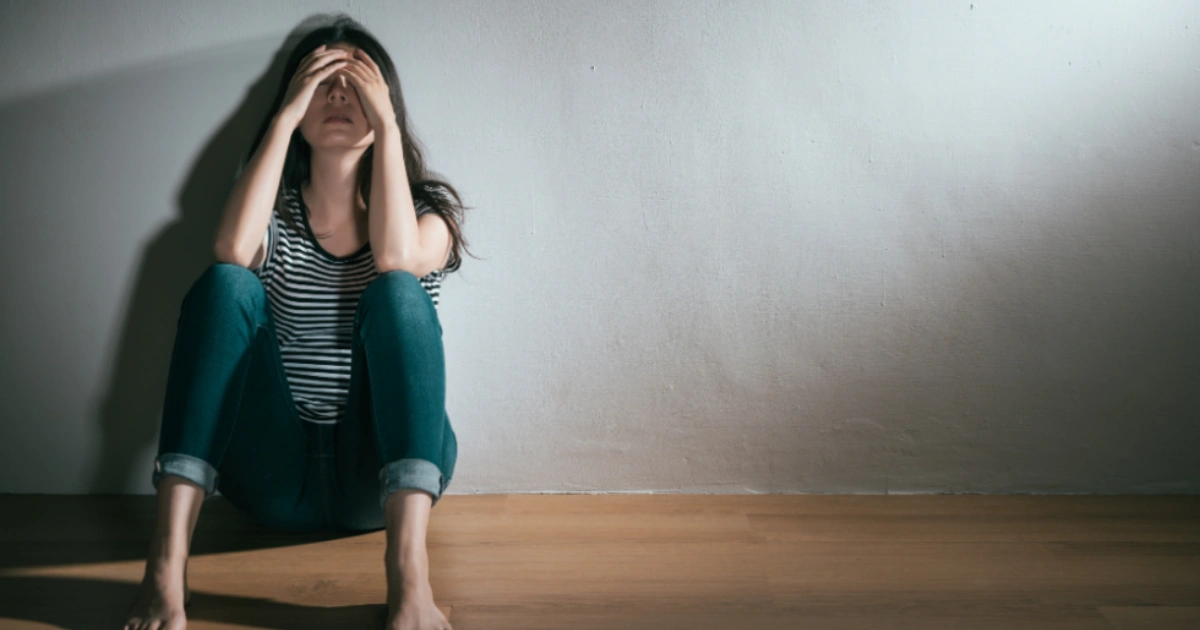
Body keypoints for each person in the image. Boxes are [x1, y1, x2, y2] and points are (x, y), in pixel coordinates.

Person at [125, 16, 474, 630]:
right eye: (321, 83)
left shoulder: (429, 219)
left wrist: (388, 126)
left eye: (355, 84)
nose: (339, 95)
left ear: (383, 101)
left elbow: (394, 259)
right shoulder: (274, 215)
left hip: (377, 480)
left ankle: (410, 578)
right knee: (227, 282)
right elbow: (232, 249)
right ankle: (164, 567)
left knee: (397, 290)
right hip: (273, 477)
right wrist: (285, 119)